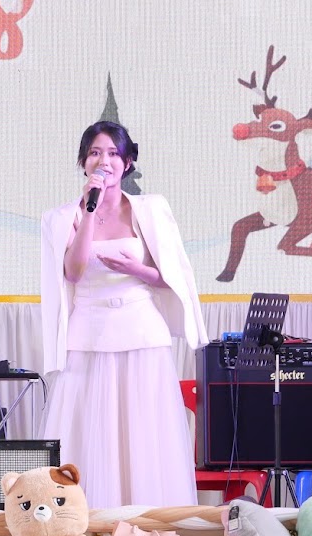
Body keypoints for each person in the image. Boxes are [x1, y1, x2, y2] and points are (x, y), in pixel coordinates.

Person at [40, 121, 206, 508]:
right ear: (83, 163)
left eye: (114, 153)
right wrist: (88, 210)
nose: (105, 161)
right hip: (88, 335)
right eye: (95, 153)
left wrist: (136, 270)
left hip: (141, 333)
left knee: (144, 436)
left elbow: (170, 279)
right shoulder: (62, 217)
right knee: (88, 433)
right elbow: (73, 272)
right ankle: (86, 522)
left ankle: (146, 529)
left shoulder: (150, 209)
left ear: (128, 162)